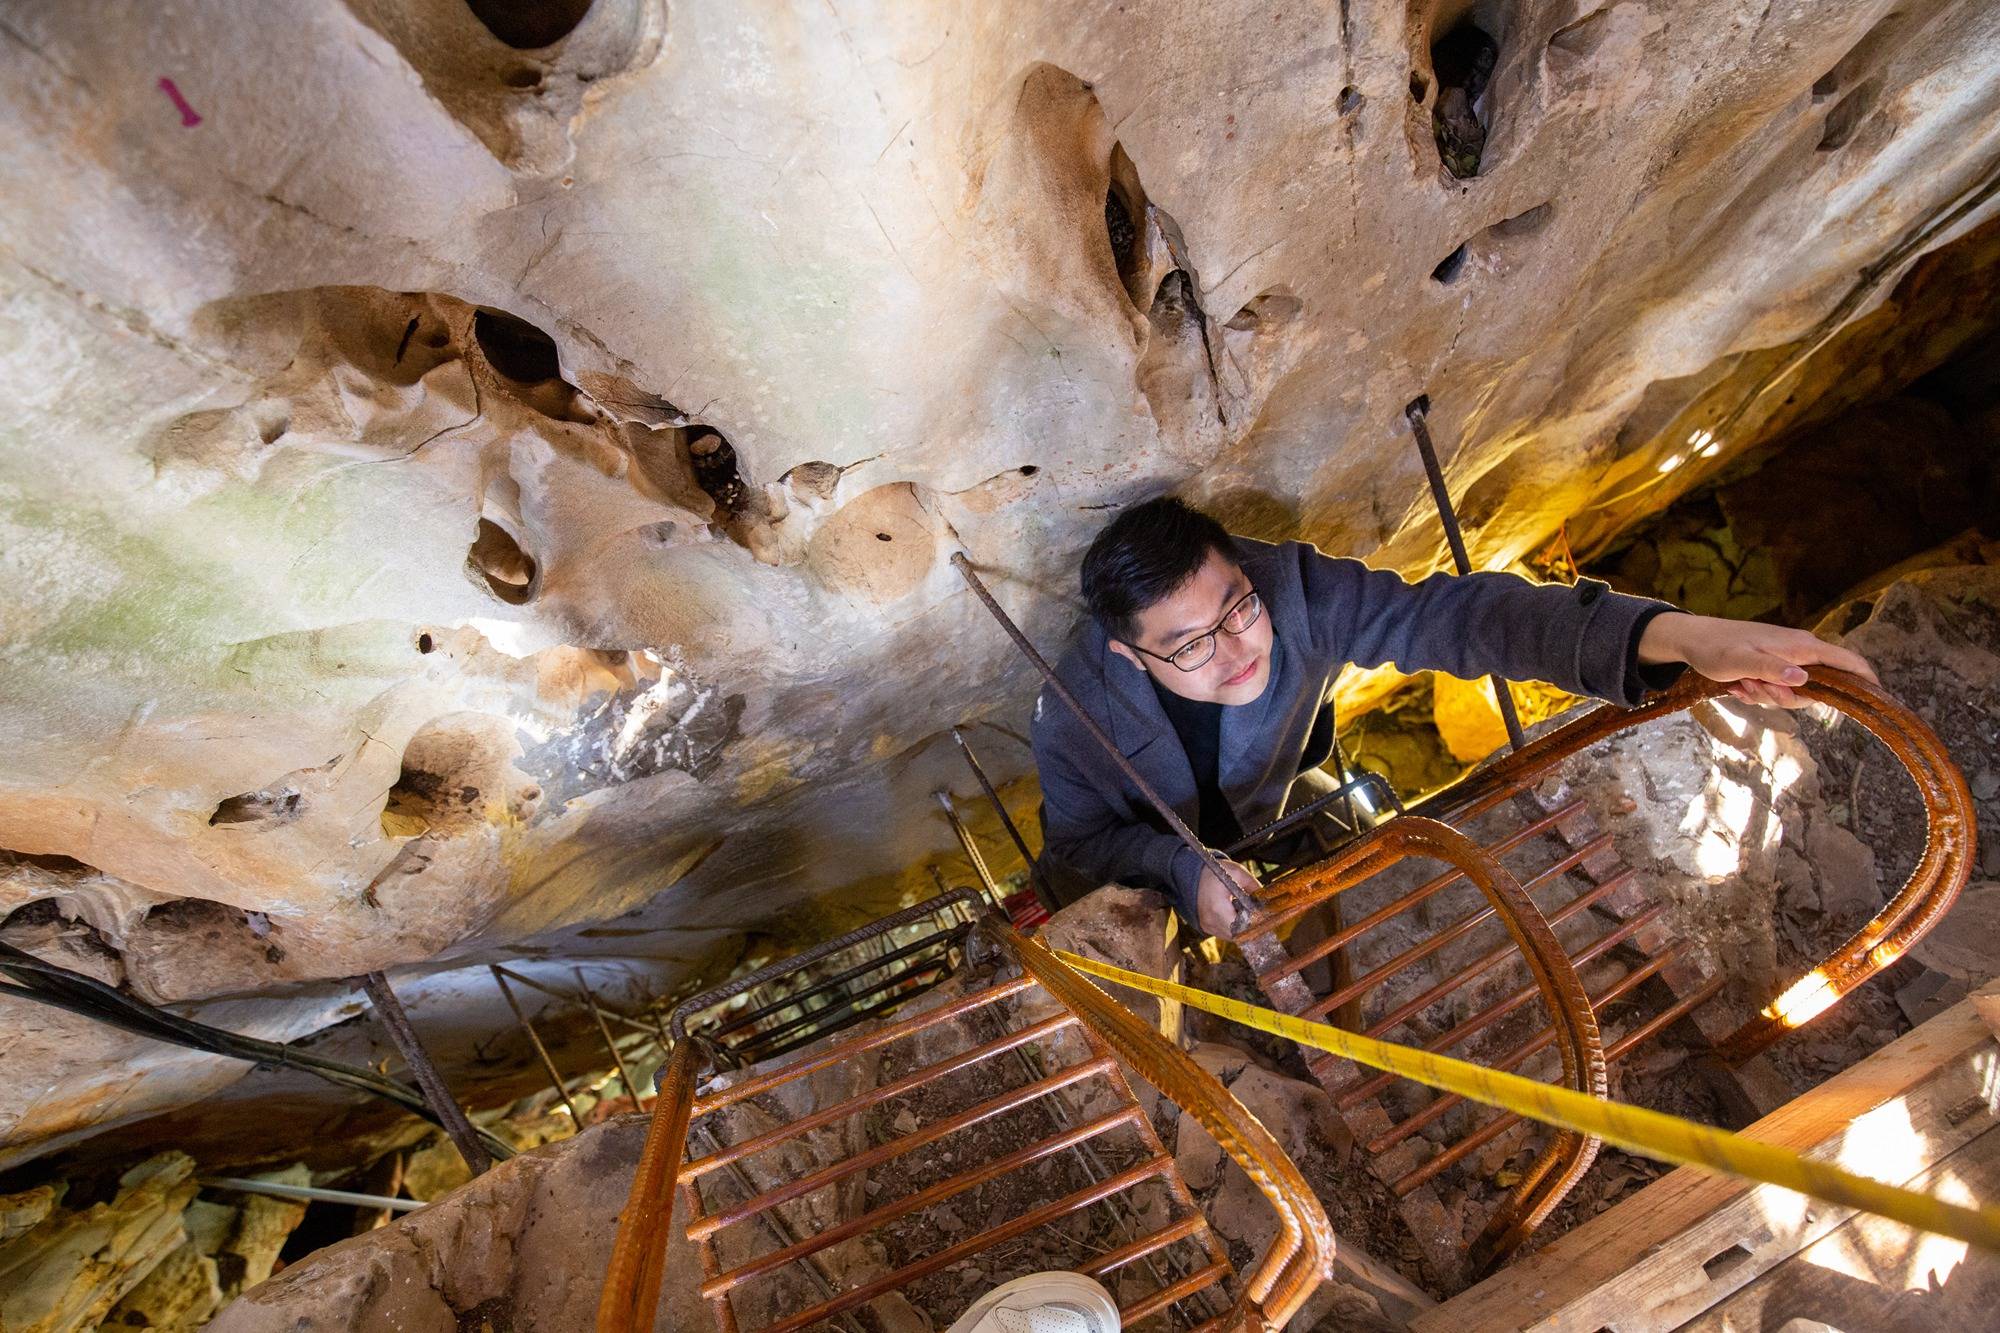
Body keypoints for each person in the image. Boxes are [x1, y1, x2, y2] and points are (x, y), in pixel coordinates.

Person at [1029, 497, 1878, 940]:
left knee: (1355, 833)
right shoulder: (1073, 715)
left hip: (1278, 802)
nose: (1235, 650)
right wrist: (1180, 871)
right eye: (1187, 648)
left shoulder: (1292, 591)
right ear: (1130, 657)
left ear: (1242, 569)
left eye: (1237, 608)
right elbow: (1081, 845)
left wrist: (1684, 636)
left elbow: (1465, 617)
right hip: (1157, 859)